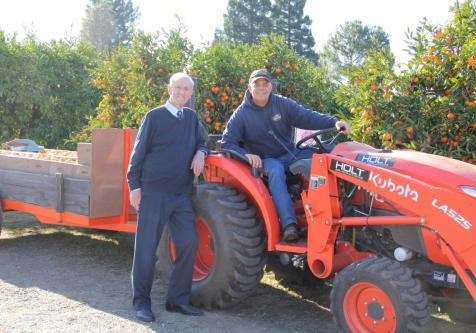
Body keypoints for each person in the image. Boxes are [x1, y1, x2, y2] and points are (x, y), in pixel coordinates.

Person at [221, 69, 350, 242]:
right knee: (275, 170)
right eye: (256, 84)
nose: (261, 88)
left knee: (325, 155)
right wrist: (247, 155)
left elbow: (307, 116)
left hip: (290, 153)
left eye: (265, 84)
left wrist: (333, 122)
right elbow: (227, 142)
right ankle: (289, 225)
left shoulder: (282, 104)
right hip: (267, 159)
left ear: (270, 86)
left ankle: (339, 212)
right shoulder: (241, 114)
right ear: (249, 88)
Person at [127, 72, 208, 322]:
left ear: (191, 93)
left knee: (188, 243)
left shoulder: (192, 118)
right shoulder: (155, 117)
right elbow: (137, 153)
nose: (182, 92)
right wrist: (134, 186)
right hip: (154, 193)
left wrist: (201, 152)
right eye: (178, 87)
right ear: (169, 89)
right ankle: (141, 303)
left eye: (187, 89)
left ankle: (177, 300)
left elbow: (203, 141)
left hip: (181, 194)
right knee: (146, 250)